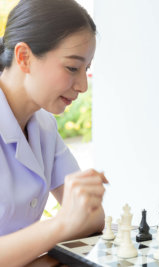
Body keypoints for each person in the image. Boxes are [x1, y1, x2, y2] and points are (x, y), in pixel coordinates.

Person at [0, 0, 107, 265]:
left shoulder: (44, 125)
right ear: (24, 57)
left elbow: (92, 217)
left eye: (86, 69)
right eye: (72, 68)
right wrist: (61, 225)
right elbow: (72, 220)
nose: (82, 85)